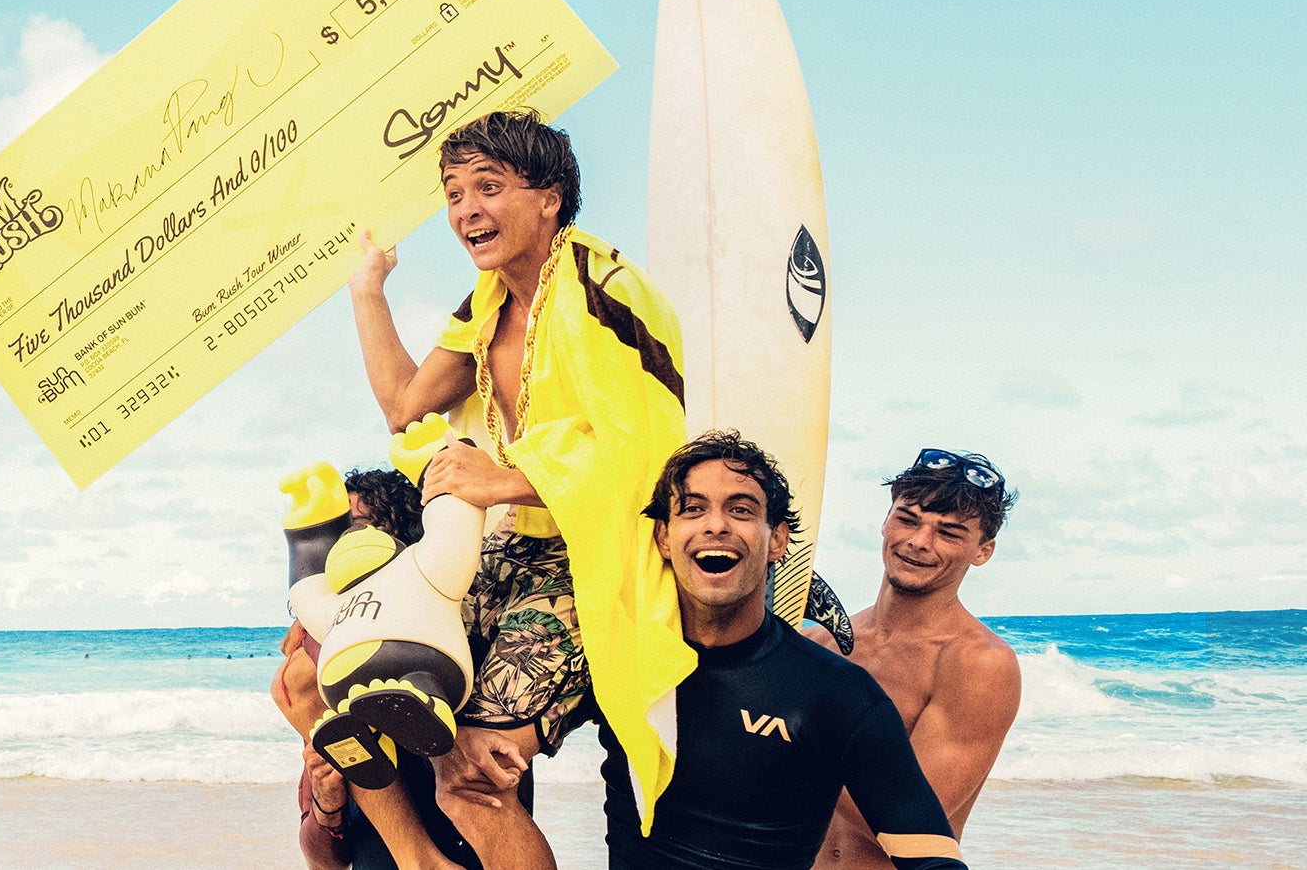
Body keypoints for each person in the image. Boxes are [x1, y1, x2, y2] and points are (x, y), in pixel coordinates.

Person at [348, 108, 691, 870]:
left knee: (474, 776)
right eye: (453, 193)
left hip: (594, 554)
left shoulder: (606, 288)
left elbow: (650, 454)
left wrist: (503, 479)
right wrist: (368, 290)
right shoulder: (486, 304)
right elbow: (404, 406)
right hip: (512, 546)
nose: (466, 209)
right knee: (362, 675)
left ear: (550, 199)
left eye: (489, 186)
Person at [600, 430, 972, 870]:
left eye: (741, 510)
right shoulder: (612, 658)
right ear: (663, 537)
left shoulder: (838, 694)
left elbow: (933, 857)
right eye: (693, 508)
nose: (715, 525)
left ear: (778, 539)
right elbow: (521, 751)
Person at [810, 450, 1021, 868]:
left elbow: (910, 824)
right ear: (885, 521)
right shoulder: (819, 641)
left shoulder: (978, 663)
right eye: (908, 519)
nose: (920, 542)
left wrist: (789, 729)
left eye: (949, 533)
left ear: (983, 551)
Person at [274, 467, 493, 870]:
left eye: (359, 526)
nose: (344, 545)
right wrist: (327, 805)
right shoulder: (328, 677)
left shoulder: (465, 641)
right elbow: (325, 861)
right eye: (335, 534)